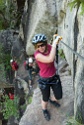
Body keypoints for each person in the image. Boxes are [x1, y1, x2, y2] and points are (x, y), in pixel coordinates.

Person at [32, 34, 63, 121]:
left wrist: (54, 43)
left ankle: (52, 100)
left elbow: (53, 51)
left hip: (53, 77)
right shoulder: (37, 55)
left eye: (42, 45)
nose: (40, 47)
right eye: (38, 46)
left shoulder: (49, 47)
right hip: (44, 79)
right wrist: (54, 43)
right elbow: (50, 59)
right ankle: (44, 110)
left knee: (59, 96)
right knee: (45, 97)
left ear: (45, 43)